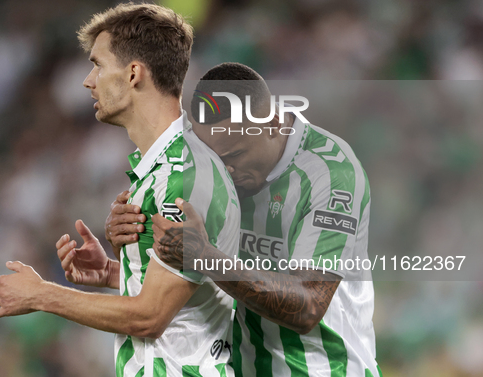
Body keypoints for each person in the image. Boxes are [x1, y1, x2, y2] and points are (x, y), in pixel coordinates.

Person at [0, 3, 241, 377]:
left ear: (134, 73)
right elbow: (189, 289)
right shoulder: (157, 170)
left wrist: (42, 294)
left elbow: (151, 316)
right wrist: (112, 272)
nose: (89, 81)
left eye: (98, 65)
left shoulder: (185, 174)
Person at [106, 63, 381, 376]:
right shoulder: (209, 172)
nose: (225, 172)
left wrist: (205, 257)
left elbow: (306, 308)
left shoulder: (330, 174)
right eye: (214, 158)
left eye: (234, 156)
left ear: (273, 122)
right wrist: (124, 248)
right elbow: (203, 277)